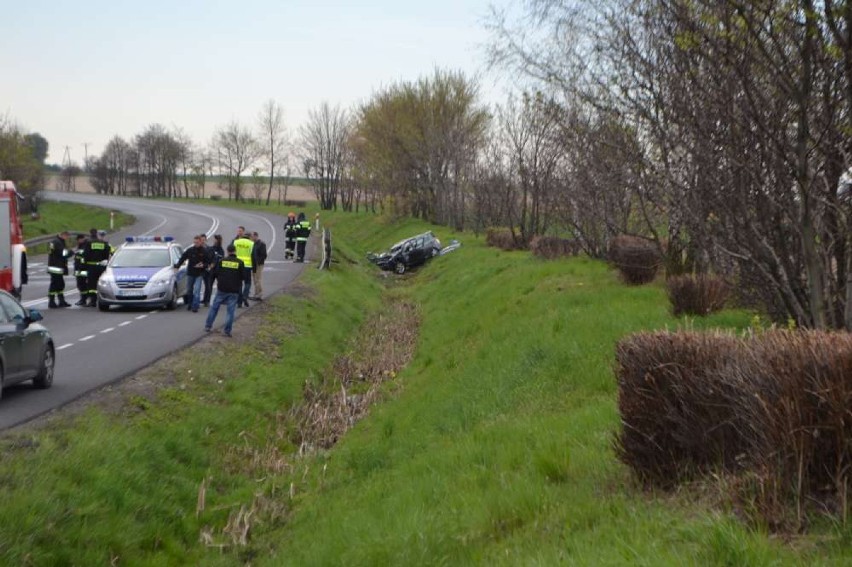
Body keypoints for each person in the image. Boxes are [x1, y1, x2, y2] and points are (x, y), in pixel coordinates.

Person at [204, 244, 244, 337]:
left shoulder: (222, 261)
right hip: (234, 290)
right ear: (235, 251)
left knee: (214, 308)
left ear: (227, 251)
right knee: (230, 312)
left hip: (222, 288)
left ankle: (208, 326)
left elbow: (216, 273)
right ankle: (227, 331)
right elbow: (243, 277)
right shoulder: (240, 263)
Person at [174, 234, 210, 312]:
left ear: (200, 242)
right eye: (194, 242)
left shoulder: (204, 251)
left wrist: (203, 265)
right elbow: (183, 258)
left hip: (199, 274)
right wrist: (177, 266)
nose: (195, 244)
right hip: (190, 273)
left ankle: (195, 306)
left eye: (197, 242)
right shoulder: (190, 250)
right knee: (189, 290)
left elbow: (208, 263)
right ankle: (190, 303)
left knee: (197, 291)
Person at [82, 228, 110, 307]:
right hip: (101, 266)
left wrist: (85, 264)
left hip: (92, 266)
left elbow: (86, 255)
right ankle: (102, 300)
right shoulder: (105, 244)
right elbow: (106, 256)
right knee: (101, 283)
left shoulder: (89, 243)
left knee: (91, 284)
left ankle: (93, 301)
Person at [46, 231, 71, 308]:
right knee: (55, 285)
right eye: (66, 236)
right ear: (63, 235)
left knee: (59, 284)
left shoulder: (56, 241)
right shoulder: (58, 242)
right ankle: (52, 302)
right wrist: (71, 252)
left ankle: (61, 301)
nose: (67, 238)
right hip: (56, 266)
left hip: (55, 266)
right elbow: (63, 254)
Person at [232, 228, 254, 307]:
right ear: (249, 237)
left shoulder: (236, 242)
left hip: (237, 265)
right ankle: (245, 296)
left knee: (239, 283)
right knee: (248, 282)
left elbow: (233, 253)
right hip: (247, 266)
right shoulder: (251, 244)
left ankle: (239, 302)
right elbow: (253, 255)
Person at [249, 231, 267, 300]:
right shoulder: (253, 244)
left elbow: (264, 255)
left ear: (256, 236)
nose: (251, 238)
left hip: (258, 264)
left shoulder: (261, 244)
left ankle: (259, 294)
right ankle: (256, 294)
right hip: (253, 264)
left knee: (258, 279)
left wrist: (258, 262)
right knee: (254, 279)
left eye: (252, 236)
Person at [73, 233, 88, 306]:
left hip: (82, 269)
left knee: (82, 285)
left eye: (78, 240)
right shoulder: (80, 246)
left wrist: (80, 267)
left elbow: (82, 258)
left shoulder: (85, 246)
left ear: (81, 239)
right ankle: (83, 299)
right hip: (79, 268)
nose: (77, 241)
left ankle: (83, 299)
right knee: (80, 285)